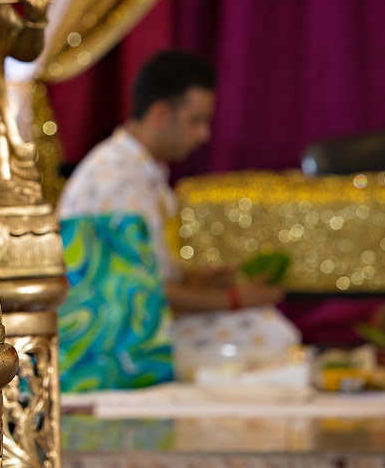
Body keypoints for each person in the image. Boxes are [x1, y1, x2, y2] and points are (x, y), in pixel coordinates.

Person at [57, 50, 300, 390]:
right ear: (159, 114)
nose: (204, 135)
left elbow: (147, 276)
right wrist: (234, 299)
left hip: (140, 328)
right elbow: (142, 297)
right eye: (195, 121)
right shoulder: (116, 182)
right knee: (271, 335)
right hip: (110, 350)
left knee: (268, 329)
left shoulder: (141, 172)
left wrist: (198, 281)